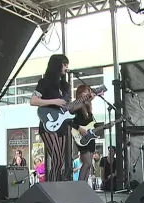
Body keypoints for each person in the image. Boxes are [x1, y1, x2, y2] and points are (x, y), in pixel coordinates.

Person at [30, 54, 87, 182]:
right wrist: (54, 101)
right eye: (65, 64)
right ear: (57, 65)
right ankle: (51, 190)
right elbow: (33, 101)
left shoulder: (65, 85)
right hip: (48, 124)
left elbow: (69, 108)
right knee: (57, 159)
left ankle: (54, 187)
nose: (67, 67)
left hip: (61, 126)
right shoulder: (44, 82)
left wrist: (85, 100)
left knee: (59, 161)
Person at [69, 84, 97, 181]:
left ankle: (84, 185)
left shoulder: (88, 105)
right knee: (87, 163)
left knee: (89, 164)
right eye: (86, 91)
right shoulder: (78, 105)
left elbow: (89, 121)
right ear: (80, 93)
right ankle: (80, 185)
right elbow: (69, 117)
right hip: (81, 134)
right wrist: (79, 128)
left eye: (89, 91)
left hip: (90, 135)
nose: (88, 93)